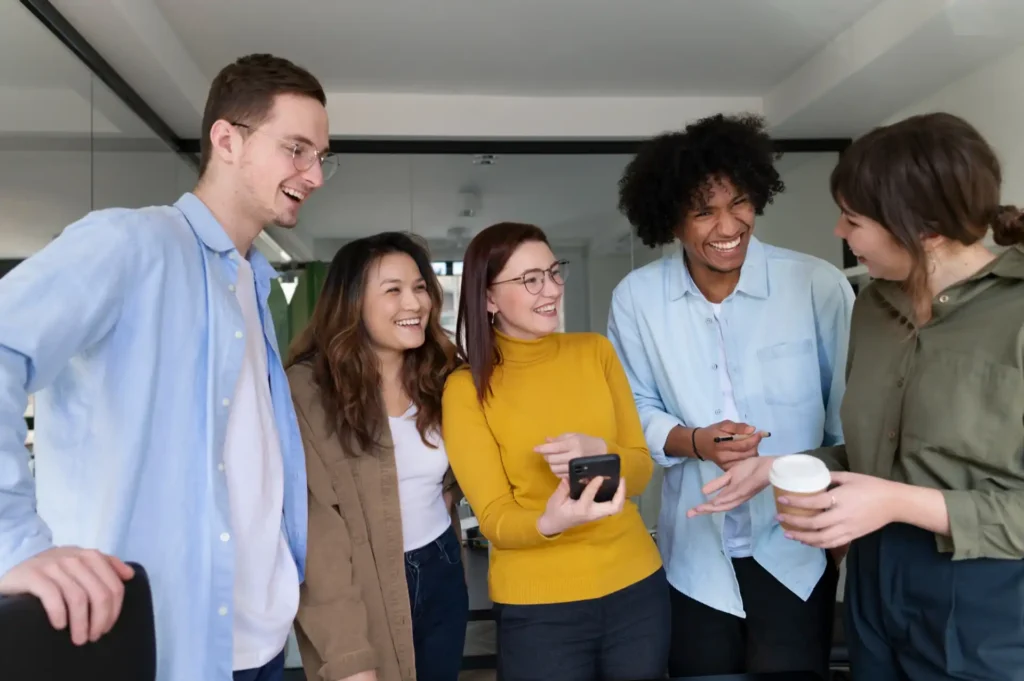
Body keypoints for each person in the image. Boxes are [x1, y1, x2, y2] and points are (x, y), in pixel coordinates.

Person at [0, 54, 336, 681]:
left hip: (260, 643)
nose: (314, 174)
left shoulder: (253, 282)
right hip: (163, 647)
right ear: (227, 139)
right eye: (297, 149)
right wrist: (13, 543)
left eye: (321, 156)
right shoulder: (131, 244)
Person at [690, 112, 1024, 680]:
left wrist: (896, 503)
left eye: (853, 219)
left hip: (986, 595)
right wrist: (782, 467)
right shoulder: (872, 307)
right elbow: (874, 454)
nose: (842, 234)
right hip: (871, 579)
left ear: (925, 228)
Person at [609, 113, 855, 679]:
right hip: (694, 555)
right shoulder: (638, 300)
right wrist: (695, 442)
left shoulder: (817, 285)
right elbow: (634, 409)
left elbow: (847, 420)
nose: (728, 224)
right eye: (703, 211)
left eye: (739, 203)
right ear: (670, 220)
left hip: (797, 548)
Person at [442, 222, 669, 681]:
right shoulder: (466, 389)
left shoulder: (595, 353)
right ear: (488, 298)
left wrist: (600, 449)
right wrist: (551, 522)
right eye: (530, 280)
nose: (551, 290)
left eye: (553, 272)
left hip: (636, 589)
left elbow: (642, 470)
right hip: (538, 609)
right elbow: (494, 518)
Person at [286, 232, 468, 681]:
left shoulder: (444, 374)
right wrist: (348, 657)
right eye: (393, 290)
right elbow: (316, 534)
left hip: (442, 566)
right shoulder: (306, 391)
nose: (415, 303)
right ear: (351, 303)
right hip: (362, 583)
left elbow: (471, 459)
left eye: (420, 287)